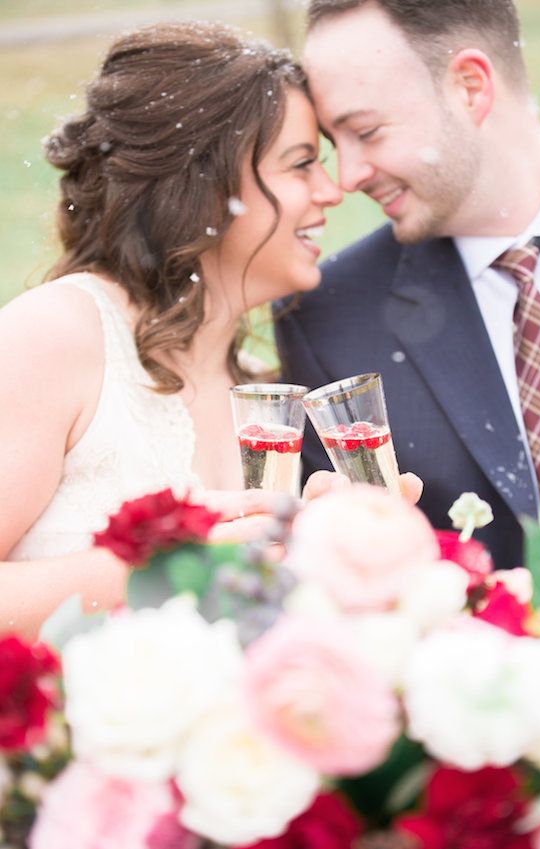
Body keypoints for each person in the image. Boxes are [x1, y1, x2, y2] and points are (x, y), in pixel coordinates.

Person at [0, 21, 350, 640]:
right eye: (301, 165)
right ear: (207, 188)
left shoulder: (258, 386)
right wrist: (179, 566)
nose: (334, 189)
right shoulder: (54, 335)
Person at [275, 0, 540, 568]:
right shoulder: (327, 319)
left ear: (470, 87)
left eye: (367, 131)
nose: (347, 177)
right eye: (334, 144)